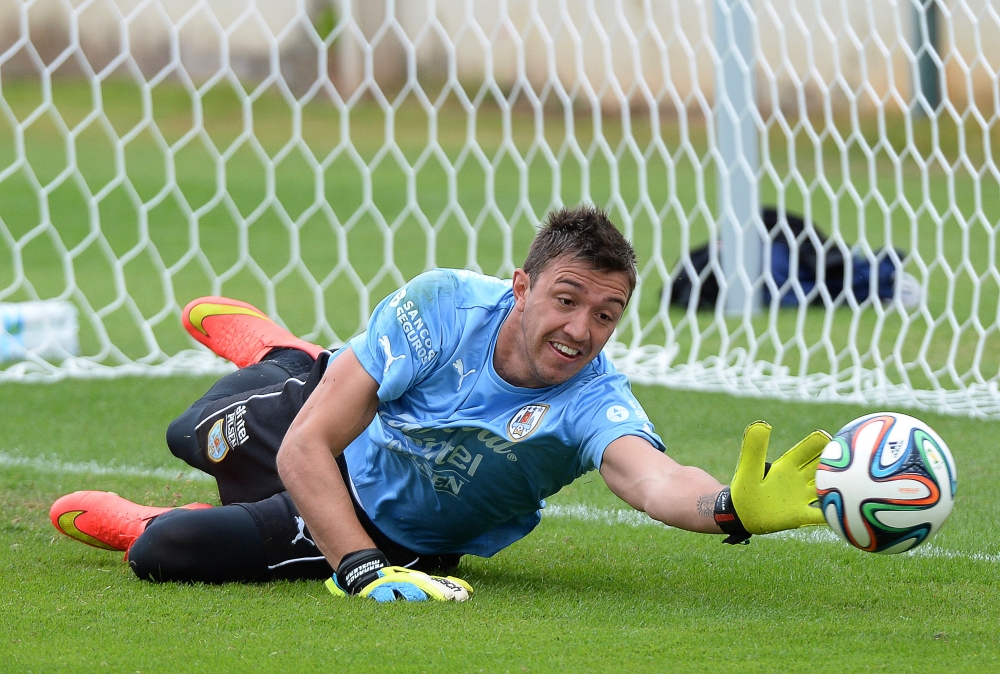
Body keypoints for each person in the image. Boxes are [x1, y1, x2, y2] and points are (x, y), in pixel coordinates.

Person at [50, 205, 829, 602]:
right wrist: (354, 573)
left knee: (168, 553)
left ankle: (149, 515)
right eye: (565, 300)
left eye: (605, 314)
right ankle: (291, 357)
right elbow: (304, 448)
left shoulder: (594, 400)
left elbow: (652, 477)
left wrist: (729, 506)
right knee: (191, 431)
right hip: (326, 431)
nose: (580, 330)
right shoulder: (443, 308)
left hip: (397, 532)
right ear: (520, 288)